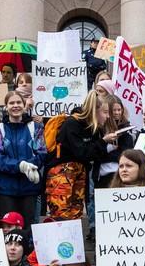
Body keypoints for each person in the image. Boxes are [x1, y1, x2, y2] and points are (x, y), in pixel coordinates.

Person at [45, 91, 115, 221]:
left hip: (80, 172)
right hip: (62, 172)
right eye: (105, 112)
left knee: (76, 214)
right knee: (61, 215)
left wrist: (108, 145)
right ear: (95, 110)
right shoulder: (72, 124)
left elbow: (93, 154)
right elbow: (82, 152)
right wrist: (103, 141)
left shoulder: (93, 127)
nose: (108, 116)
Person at [0, 90, 45, 227]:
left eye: (19, 102)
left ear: (24, 104)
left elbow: (42, 152)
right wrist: (20, 166)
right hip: (5, 189)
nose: (16, 105)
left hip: (29, 188)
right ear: (6, 107)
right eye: (11, 103)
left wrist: (30, 165)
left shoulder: (35, 128)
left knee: (27, 229)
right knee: (8, 230)